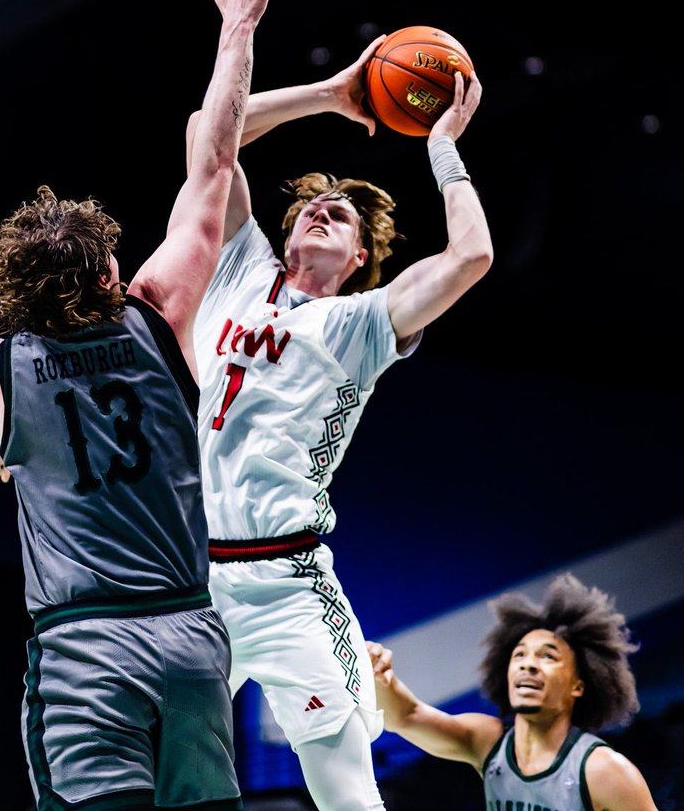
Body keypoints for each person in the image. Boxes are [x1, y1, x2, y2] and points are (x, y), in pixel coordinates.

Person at [0, 0, 283, 811]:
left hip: (86, 647)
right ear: (111, 271)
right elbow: (216, 156)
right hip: (193, 638)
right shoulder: (161, 310)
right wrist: (237, 28)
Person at [184, 49, 493, 811]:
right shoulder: (239, 270)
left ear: (361, 258)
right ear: (285, 236)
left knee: (346, 791)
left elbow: (472, 255)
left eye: (341, 215)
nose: (321, 211)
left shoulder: (362, 320)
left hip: (289, 586)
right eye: (310, 209)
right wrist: (330, 94)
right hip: (190, 580)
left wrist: (443, 148)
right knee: (145, 774)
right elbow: (209, 133)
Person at [367, 572, 661, 811]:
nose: (528, 665)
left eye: (548, 656)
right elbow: (406, 716)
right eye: (520, 655)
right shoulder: (486, 741)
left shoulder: (604, 771)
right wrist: (381, 675)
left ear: (579, 685)